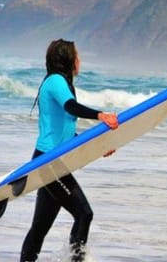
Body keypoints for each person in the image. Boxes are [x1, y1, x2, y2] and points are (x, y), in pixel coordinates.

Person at [20, 39, 119, 262]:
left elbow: (66, 135)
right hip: (49, 162)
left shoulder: (58, 82)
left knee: (39, 229)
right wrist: (100, 115)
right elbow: (71, 107)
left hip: (50, 162)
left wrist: (98, 149)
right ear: (68, 59)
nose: (79, 60)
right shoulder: (56, 81)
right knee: (84, 214)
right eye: (77, 55)